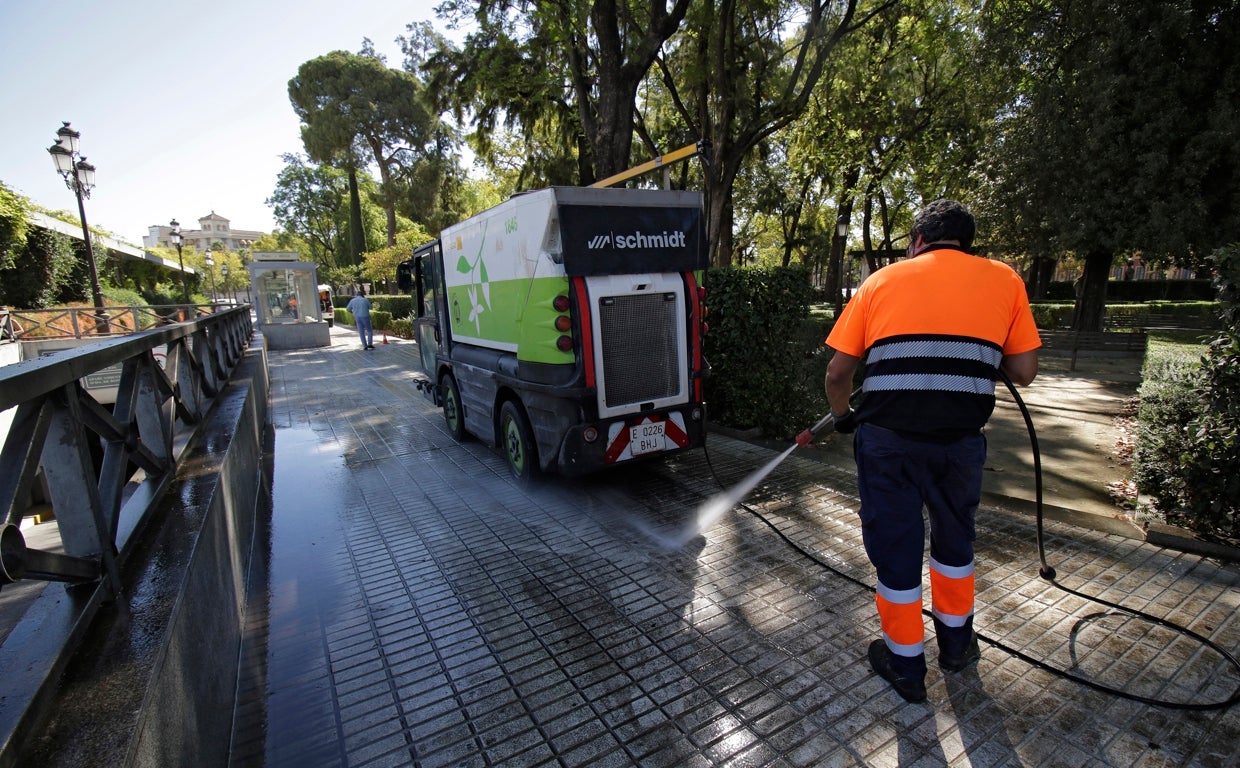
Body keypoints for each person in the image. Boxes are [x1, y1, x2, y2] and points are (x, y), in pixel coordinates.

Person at [823, 199, 1041, 703]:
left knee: (897, 550)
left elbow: (838, 374)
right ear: (966, 242)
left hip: (888, 444)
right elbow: (1024, 372)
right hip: (959, 445)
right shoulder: (1005, 279)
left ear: (917, 241)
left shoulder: (880, 281)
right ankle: (957, 647)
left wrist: (842, 417)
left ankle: (905, 667)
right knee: (954, 544)